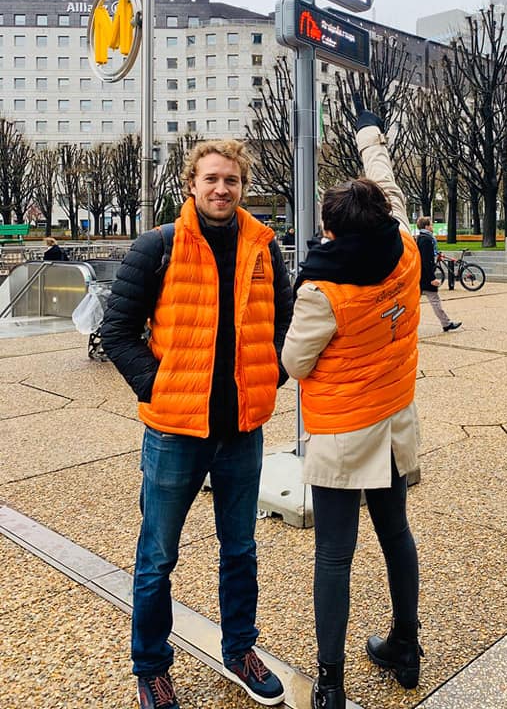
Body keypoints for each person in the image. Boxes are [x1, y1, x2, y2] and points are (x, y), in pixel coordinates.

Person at [101, 139, 292, 709]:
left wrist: (268, 376)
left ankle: (240, 651)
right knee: (158, 555)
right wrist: (159, 387)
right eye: (211, 178)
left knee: (241, 548)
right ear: (192, 183)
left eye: (231, 180)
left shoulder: (263, 247)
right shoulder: (158, 245)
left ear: (242, 185)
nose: (221, 189)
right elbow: (118, 331)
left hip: (241, 428)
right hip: (175, 432)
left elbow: (284, 322)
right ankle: (152, 666)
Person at [281, 100, 424, 709]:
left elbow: (294, 364)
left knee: (335, 555)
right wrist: (370, 134)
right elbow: (387, 184)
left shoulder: (321, 290)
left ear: (334, 231)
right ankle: (406, 648)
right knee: (396, 533)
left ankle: (331, 683)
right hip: (394, 421)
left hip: (343, 433)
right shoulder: (409, 253)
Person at [415, 216, 461, 332]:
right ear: (426, 226)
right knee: (434, 301)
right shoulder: (426, 239)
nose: (432, 227)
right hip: (426, 277)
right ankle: (446, 324)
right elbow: (427, 261)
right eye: (431, 224)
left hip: (421, 276)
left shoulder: (420, 238)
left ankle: (446, 323)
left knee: (414, 303)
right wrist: (432, 278)